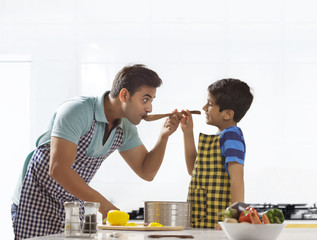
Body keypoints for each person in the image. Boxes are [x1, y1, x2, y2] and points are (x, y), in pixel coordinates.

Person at [11, 64, 181, 239]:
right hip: (35, 199)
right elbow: (58, 169)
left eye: (152, 100)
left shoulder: (125, 126)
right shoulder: (78, 110)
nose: (150, 109)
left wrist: (164, 136)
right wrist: (107, 208)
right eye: (145, 99)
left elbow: (146, 172)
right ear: (124, 95)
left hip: (74, 203)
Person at [180, 78, 253, 228]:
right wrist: (188, 132)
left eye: (210, 104)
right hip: (200, 219)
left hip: (217, 223)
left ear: (228, 114)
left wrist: (234, 217)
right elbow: (192, 170)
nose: (204, 107)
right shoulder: (220, 137)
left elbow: (237, 178)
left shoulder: (231, 135)